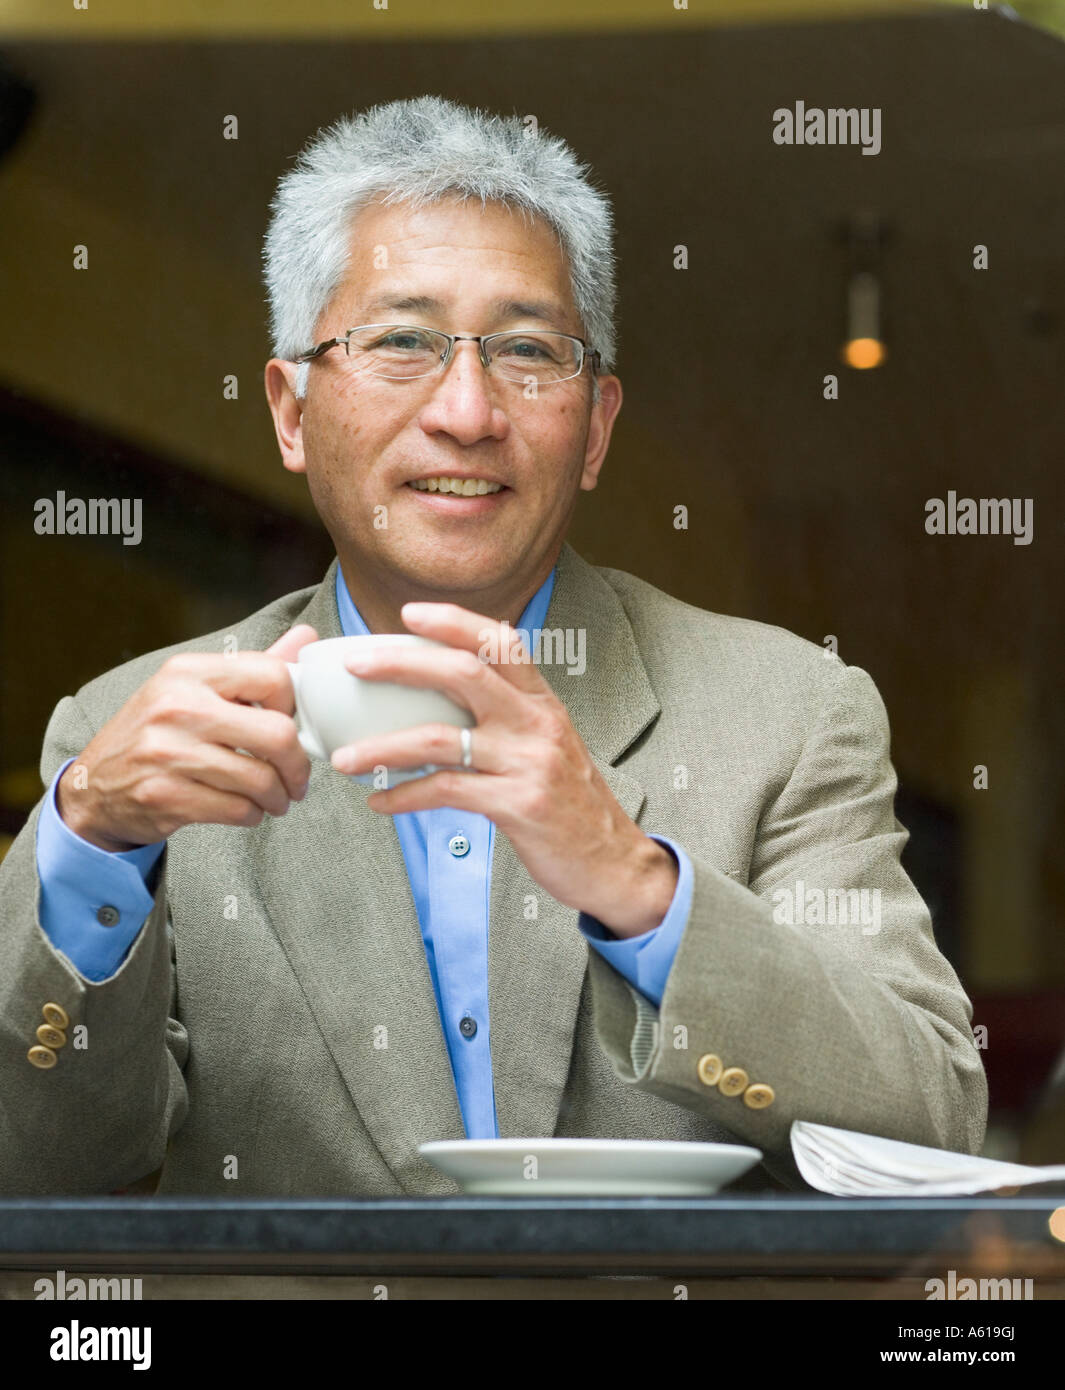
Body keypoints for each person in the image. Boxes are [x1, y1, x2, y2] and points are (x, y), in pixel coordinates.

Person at [0, 96, 986, 1195]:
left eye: (527, 350)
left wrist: (634, 882)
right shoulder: (131, 738)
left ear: (599, 426)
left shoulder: (786, 713)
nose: (467, 411)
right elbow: (35, 1178)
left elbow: (930, 1120)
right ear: (289, 410)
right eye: (404, 341)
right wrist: (91, 841)